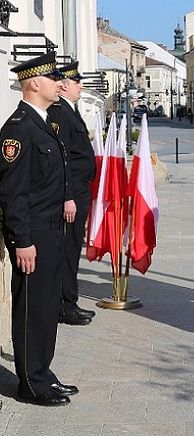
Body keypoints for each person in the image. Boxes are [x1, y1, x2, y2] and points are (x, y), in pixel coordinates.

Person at [0, 51, 77, 406]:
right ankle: (31, 384)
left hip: (51, 231)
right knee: (32, 309)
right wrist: (22, 241)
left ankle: (43, 373)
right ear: (33, 83)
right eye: (52, 78)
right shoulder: (18, 129)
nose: (59, 83)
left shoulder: (43, 122)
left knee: (46, 307)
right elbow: (12, 192)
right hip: (33, 237)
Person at [47, 61, 96, 326]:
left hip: (79, 190)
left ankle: (69, 301)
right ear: (65, 85)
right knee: (68, 249)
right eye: (77, 82)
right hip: (72, 193)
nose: (81, 86)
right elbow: (63, 158)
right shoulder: (59, 113)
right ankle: (66, 306)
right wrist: (67, 196)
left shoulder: (69, 110)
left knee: (73, 247)